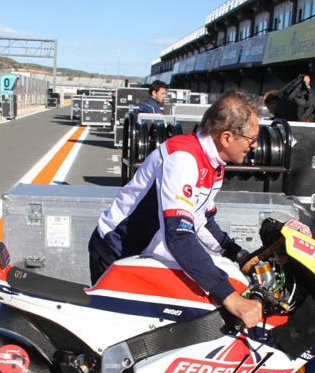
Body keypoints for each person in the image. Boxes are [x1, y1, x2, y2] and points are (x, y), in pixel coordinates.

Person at [88, 90, 263, 328]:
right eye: (252, 139)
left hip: (148, 254)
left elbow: (201, 220)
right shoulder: (183, 159)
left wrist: (238, 254)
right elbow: (178, 235)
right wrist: (230, 297)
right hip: (117, 252)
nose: (255, 145)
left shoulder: (214, 162)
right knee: (122, 334)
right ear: (226, 138)